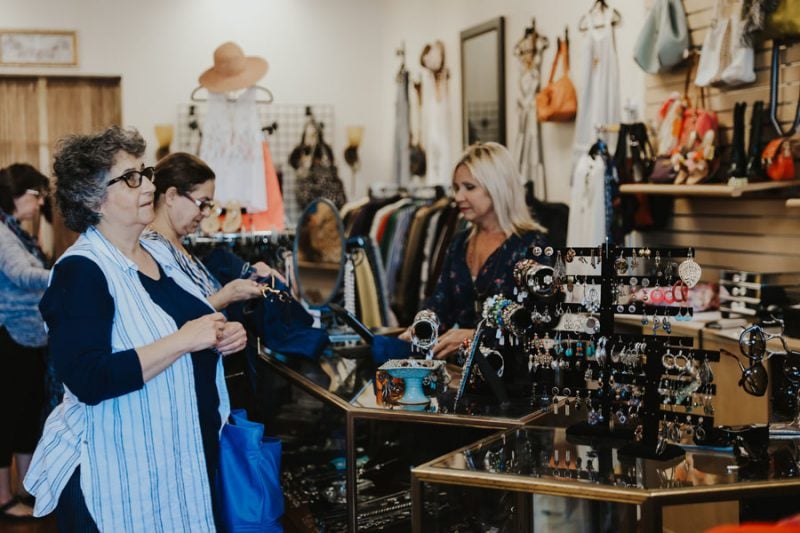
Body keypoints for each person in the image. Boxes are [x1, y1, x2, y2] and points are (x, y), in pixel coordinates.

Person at [24, 126, 247, 531]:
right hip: (118, 473)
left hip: (176, 465)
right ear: (94, 200)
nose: (147, 184)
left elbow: (194, 322)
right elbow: (89, 378)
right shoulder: (81, 272)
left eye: (144, 173)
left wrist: (221, 335)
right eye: (130, 178)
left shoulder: (157, 252)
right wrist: (182, 341)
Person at [401, 142, 548, 359]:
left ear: (497, 187)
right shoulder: (459, 244)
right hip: (461, 374)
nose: (459, 197)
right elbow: (440, 302)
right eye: (456, 188)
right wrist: (423, 325)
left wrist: (476, 335)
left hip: (513, 381)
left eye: (469, 187)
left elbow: (539, 322)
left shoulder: (531, 246)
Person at [146, 151, 282, 309]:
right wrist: (227, 296)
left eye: (209, 206)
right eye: (202, 203)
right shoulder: (153, 250)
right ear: (171, 196)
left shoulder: (176, 247)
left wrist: (250, 273)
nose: (206, 213)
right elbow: (173, 318)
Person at [0, 164, 50, 520]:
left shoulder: (15, 230)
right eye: (36, 194)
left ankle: (25, 490)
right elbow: (20, 273)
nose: (41, 201)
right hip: (10, 336)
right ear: (16, 194)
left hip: (27, 337)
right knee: (6, 418)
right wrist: (67, 273)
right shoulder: (2, 232)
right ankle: (3, 499)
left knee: (26, 416)